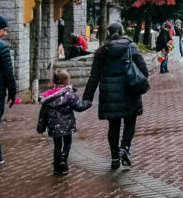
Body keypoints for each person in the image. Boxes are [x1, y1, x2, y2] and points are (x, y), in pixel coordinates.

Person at [83, 21, 149, 169]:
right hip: (129, 91)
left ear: (108, 33)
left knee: (113, 126)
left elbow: (94, 76)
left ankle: (114, 158)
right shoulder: (131, 47)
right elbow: (143, 70)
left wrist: (87, 98)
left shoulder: (101, 51)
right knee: (130, 122)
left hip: (109, 94)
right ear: (122, 31)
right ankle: (124, 147)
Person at [37, 68, 91, 175]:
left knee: (57, 145)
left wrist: (40, 128)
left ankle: (57, 167)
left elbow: (43, 114)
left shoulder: (47, 96)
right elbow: (78, 106)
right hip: (67, 125)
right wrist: (88, 103)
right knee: (67, 142)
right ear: (66, 81)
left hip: (53, 126)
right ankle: (63, 158)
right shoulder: (69, 94)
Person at [0, 15, 17, 167]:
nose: (5, 32)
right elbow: (7, 72)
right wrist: (12, 92)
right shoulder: (1, 47)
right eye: (4, 29)